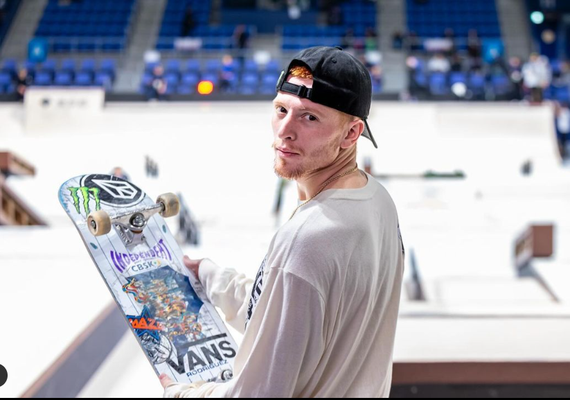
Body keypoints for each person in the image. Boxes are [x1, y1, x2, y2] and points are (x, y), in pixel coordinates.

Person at [160, 46, 405, 398]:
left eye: (310, 118)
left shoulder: (308, 238)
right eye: (281, 110)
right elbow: (289, 320)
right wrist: (212, 277)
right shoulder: (378, 201)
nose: (285, 132)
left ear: (352, 133)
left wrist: (180, 394)